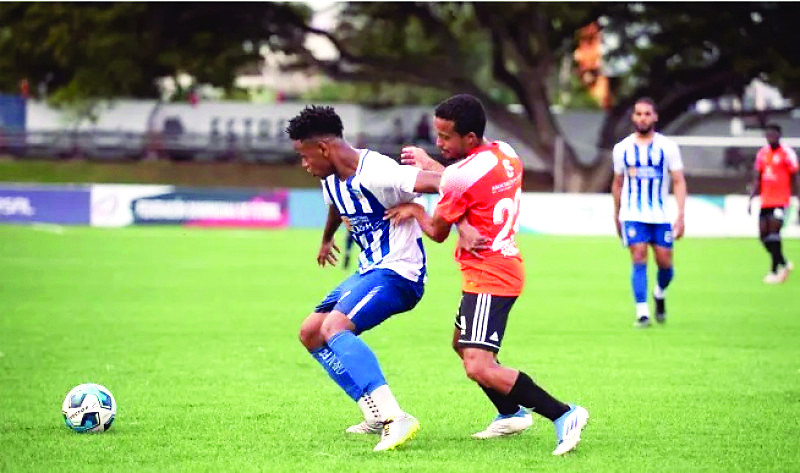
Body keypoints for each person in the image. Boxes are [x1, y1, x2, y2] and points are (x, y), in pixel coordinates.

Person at [386, 94, 588, 456]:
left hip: (489, 274)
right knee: (461, 344)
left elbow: (436, 230)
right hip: (504, 264)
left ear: (470, 139)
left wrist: (416, 208)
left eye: (446, 137)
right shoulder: (507, 153)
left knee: (478, 365)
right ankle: (510, 413)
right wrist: (438, 167)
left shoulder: (460, 176)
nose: (438, 142)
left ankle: (564, 414)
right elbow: (465, 182)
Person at [287, 105, 439, 452]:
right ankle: (372, 413)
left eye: (304, 155)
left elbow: (440, 183)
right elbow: (337, 206)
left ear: (324, 148)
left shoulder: (379, 171)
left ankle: (394, 416)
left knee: (334, 328)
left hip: (400, 272)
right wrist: (327, 239)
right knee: (311, 332)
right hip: (368, 270)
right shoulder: (330, 178)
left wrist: (418, 210)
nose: (303, 164)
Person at [611, 97, 687, 328]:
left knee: (665, 264)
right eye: (638, 113)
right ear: (633, 117)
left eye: (647, 113)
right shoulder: (622, 148)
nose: (642, 117)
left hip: (660, 215)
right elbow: (617, 183)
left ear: (655, 117)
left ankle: (659, 292)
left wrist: (681, 215)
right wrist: (616, 214)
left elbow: (678, 181)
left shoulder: (667, 147)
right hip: (633, 213)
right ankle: (642, 312)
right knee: (638, 255)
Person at [748, 123, 799, 284]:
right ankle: (784, 263)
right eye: (768, 134)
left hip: (781, 200)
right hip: (765, 200)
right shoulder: (762, 154)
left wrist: (797, 198)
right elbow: (758, 178)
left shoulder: (787, 153)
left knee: (774, 235)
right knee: (763, 237)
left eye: (773, 134)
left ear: (779, 135)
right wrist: (751, 199)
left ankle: (774, 271)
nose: (770, 137)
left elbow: (795, 177)